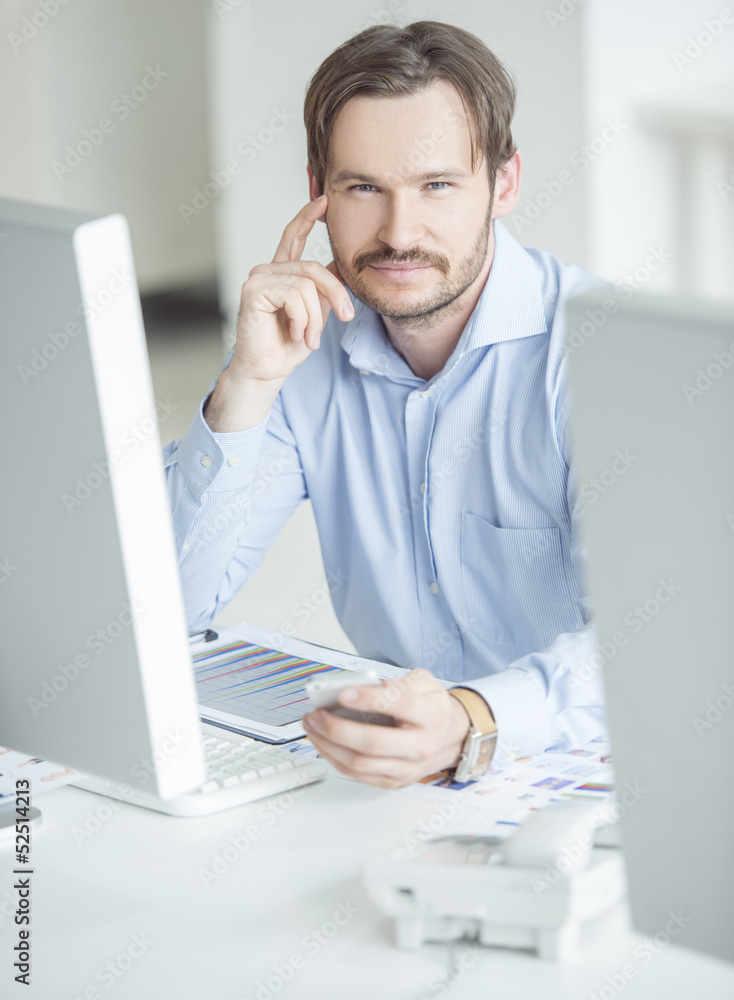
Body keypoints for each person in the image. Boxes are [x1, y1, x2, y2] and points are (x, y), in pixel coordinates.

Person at [164, 20, 606, 789]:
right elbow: (162, 609)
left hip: (584, 780)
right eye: (363, 187)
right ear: (318, 191)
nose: (399, 232)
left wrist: (471, 719)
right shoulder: (304, 343)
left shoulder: (597, 354)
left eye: (437, 185)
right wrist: (247, 385)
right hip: (397, 788)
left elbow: (659, 647)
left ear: (503, 184)